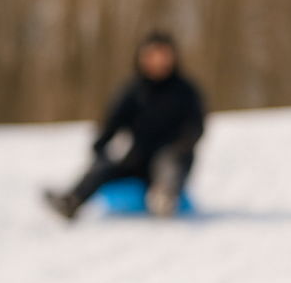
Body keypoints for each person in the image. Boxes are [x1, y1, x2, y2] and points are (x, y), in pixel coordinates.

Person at [43, 31, 206, 219]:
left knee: (167, 163)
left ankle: (165, 197)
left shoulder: (185, 91)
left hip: (172, 155)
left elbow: (196, 127)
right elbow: (112, 123)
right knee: (105, 167)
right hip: (139, 156)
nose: (158, 61)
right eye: (152, 55)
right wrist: (100, 147)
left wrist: (180, 147)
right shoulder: (133, 91)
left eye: (163, 55)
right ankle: (71, 200)